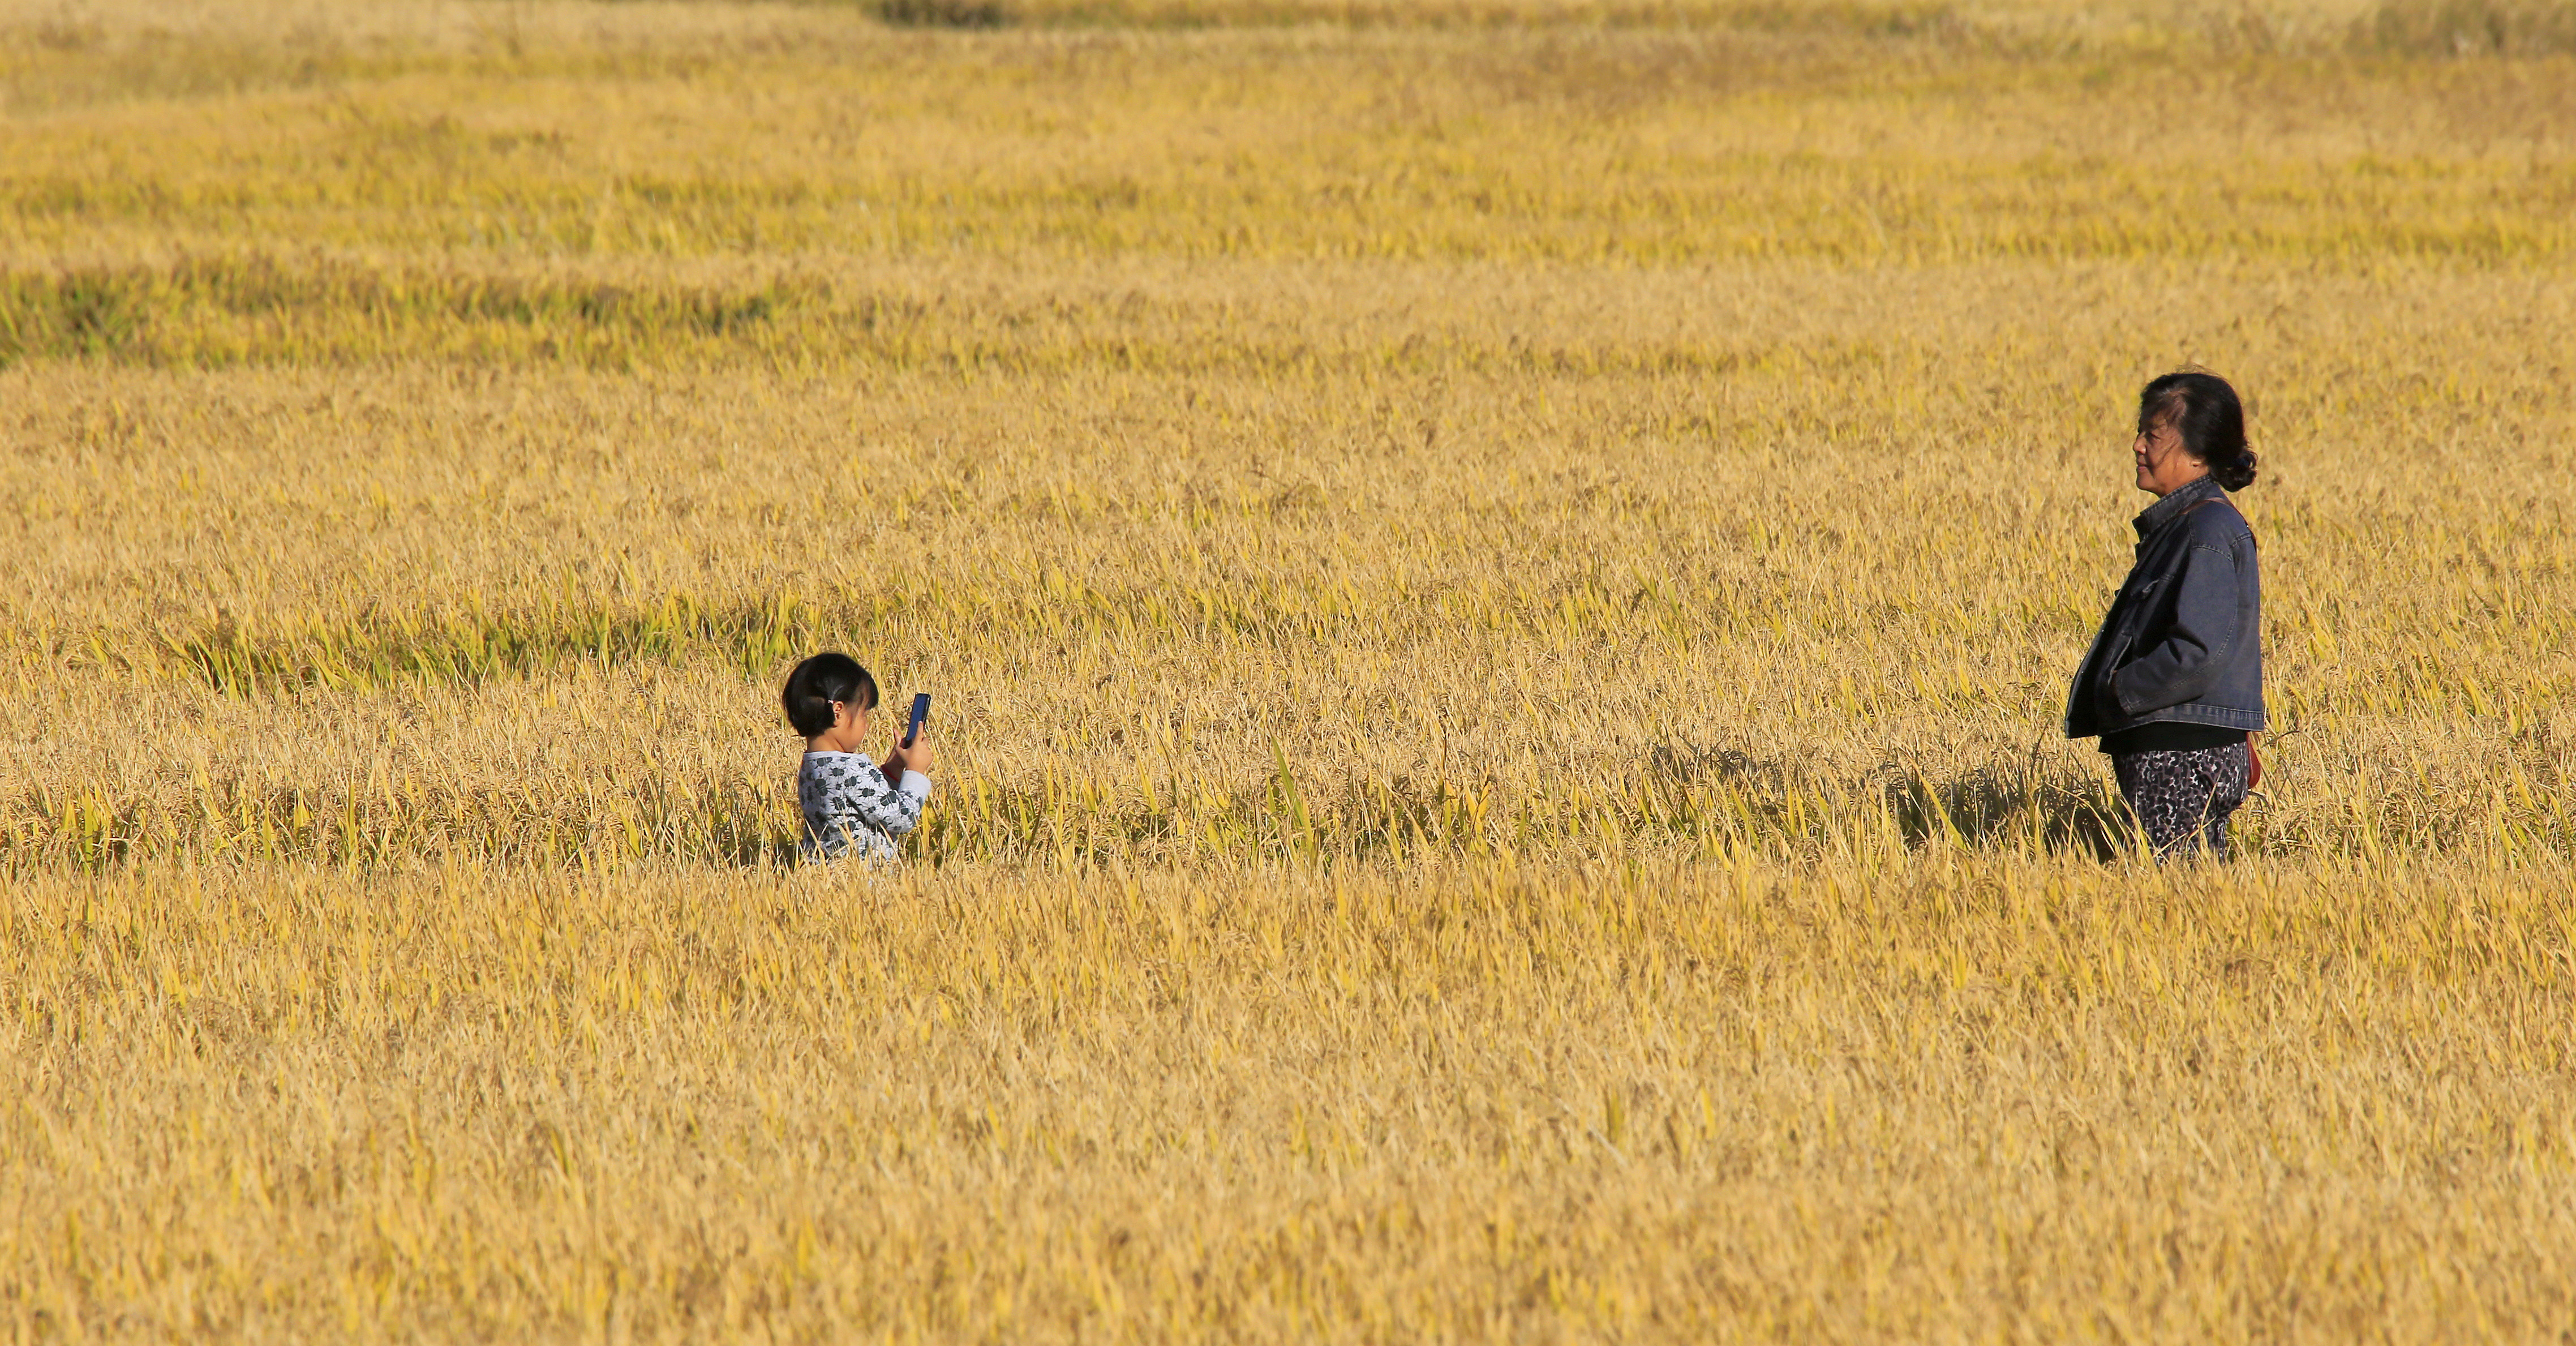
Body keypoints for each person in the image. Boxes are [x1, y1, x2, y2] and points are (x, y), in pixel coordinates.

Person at [2064, 371, 2265, 860]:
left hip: (2180, 752)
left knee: (2176, 895)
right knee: (2189, 899)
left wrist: (2123, 691)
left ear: (2198, 454)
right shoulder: (2187, 525)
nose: (2136, 445)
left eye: (2152, 435)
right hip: (2179, 744)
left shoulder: (2207, 529)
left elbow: (2201, 649)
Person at [781, 652, 934, 863]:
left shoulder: (814, 764)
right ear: (838, 711)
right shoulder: (851, 768)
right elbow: (901, 818)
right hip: (863, 882)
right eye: (864, 713)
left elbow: (864, 802)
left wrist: (893, 769)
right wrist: (915, 771)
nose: (866, 723)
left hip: (828, 878)